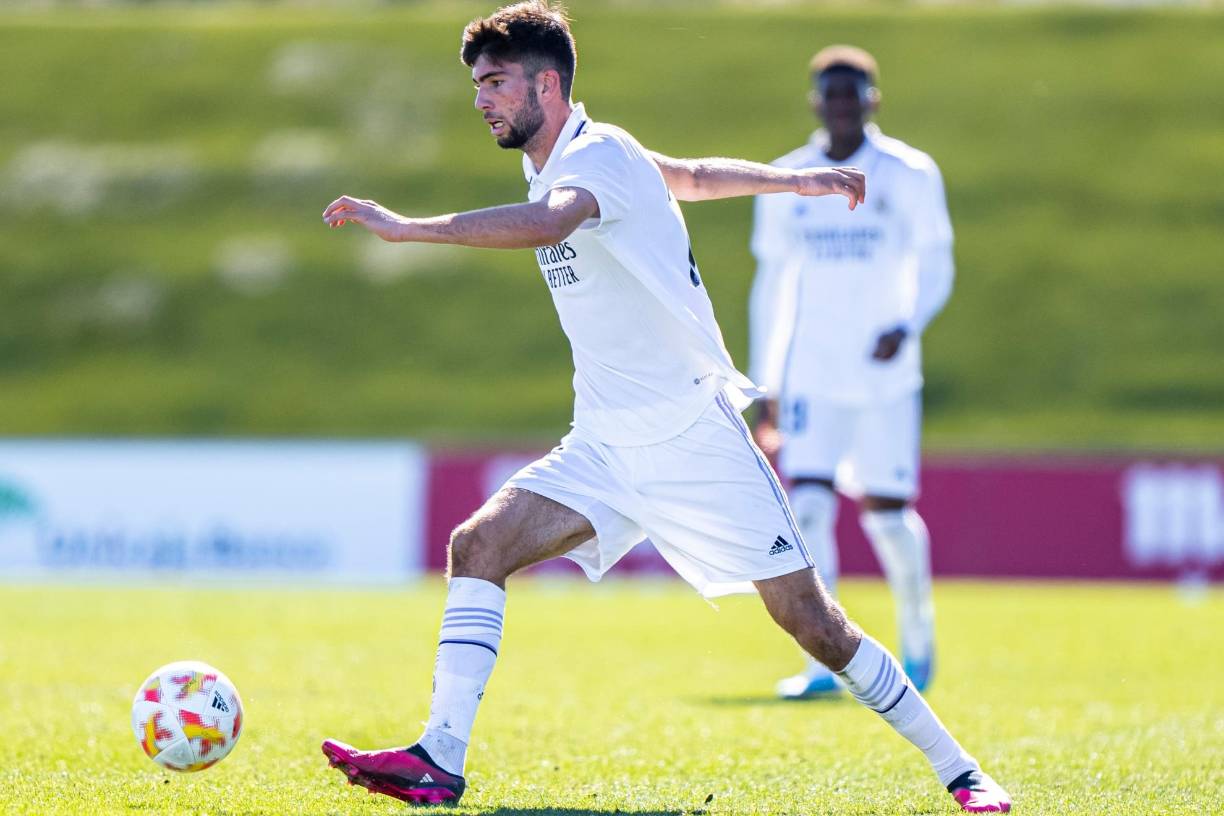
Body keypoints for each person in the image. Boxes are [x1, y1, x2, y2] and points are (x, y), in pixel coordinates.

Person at [318, 4, 1009, 812]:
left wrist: (405, 229)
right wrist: (796, 180)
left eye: (496, 83)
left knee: (814, 624)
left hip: (693, 436)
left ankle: (960, 769)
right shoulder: (585, 156)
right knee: (478, 546)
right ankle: (438, 759)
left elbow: (550, 226)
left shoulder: (594, 153)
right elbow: (684, 175)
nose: (482, 101)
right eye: (479, 85)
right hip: (606, 444)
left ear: (548, 82)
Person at [749, 45, 954, 700]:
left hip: (883, 376)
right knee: (807, 509)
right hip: (812, 373)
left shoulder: (909, 173)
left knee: (888, 518)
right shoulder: (785, 178)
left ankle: (918, 647)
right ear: (816, 102)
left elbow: (938, 262)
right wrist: (766, 384)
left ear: (872, 100)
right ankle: (827, 662)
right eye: (831, 93)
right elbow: (772, 284)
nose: (842, 104)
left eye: (854, 93)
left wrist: (908, 324)